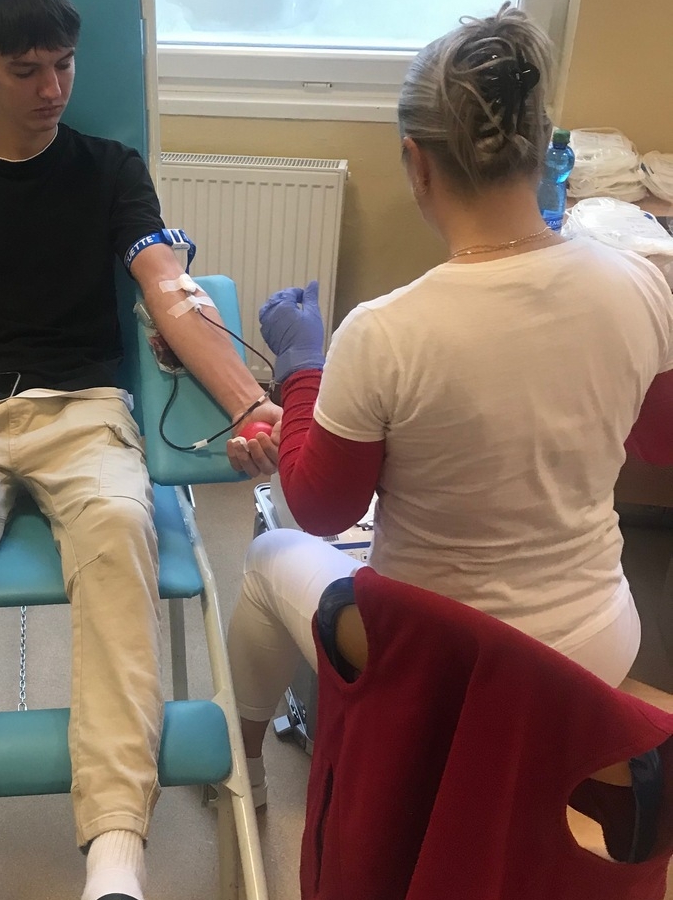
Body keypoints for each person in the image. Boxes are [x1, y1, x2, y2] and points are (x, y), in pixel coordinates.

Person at [0, 3, 279, 900]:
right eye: (27, 70)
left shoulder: (112, 169)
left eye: (63, 64)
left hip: (86, 412)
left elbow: (169, 291)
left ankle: (116, 851)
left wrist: (254, 406)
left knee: (121, 532)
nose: (52, 88)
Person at [226, 2, 673, 805]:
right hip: (595, 645)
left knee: (266, 559)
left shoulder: (386, 332)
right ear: (543, 146)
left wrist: (301, 373)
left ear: (416, 161)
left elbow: (321, 507)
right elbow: (658, 440)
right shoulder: (641, 282)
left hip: (442, 663)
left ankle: (245, 783)